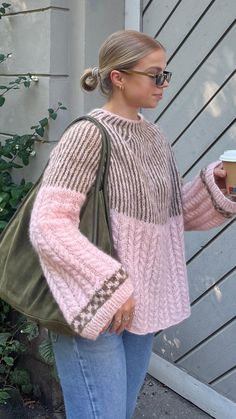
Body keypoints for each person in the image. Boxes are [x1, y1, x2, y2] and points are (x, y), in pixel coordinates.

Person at [29, 30, 236, 419]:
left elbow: (169, 219)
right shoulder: (87, 135)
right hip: (94, 304)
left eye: (166, 74)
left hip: (140, 305)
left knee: (117, 412)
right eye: (155, 74)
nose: (164, 84)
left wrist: (217, 186)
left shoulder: (154, 136)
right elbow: (48, 224)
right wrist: (113, 284)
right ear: (118, 77)